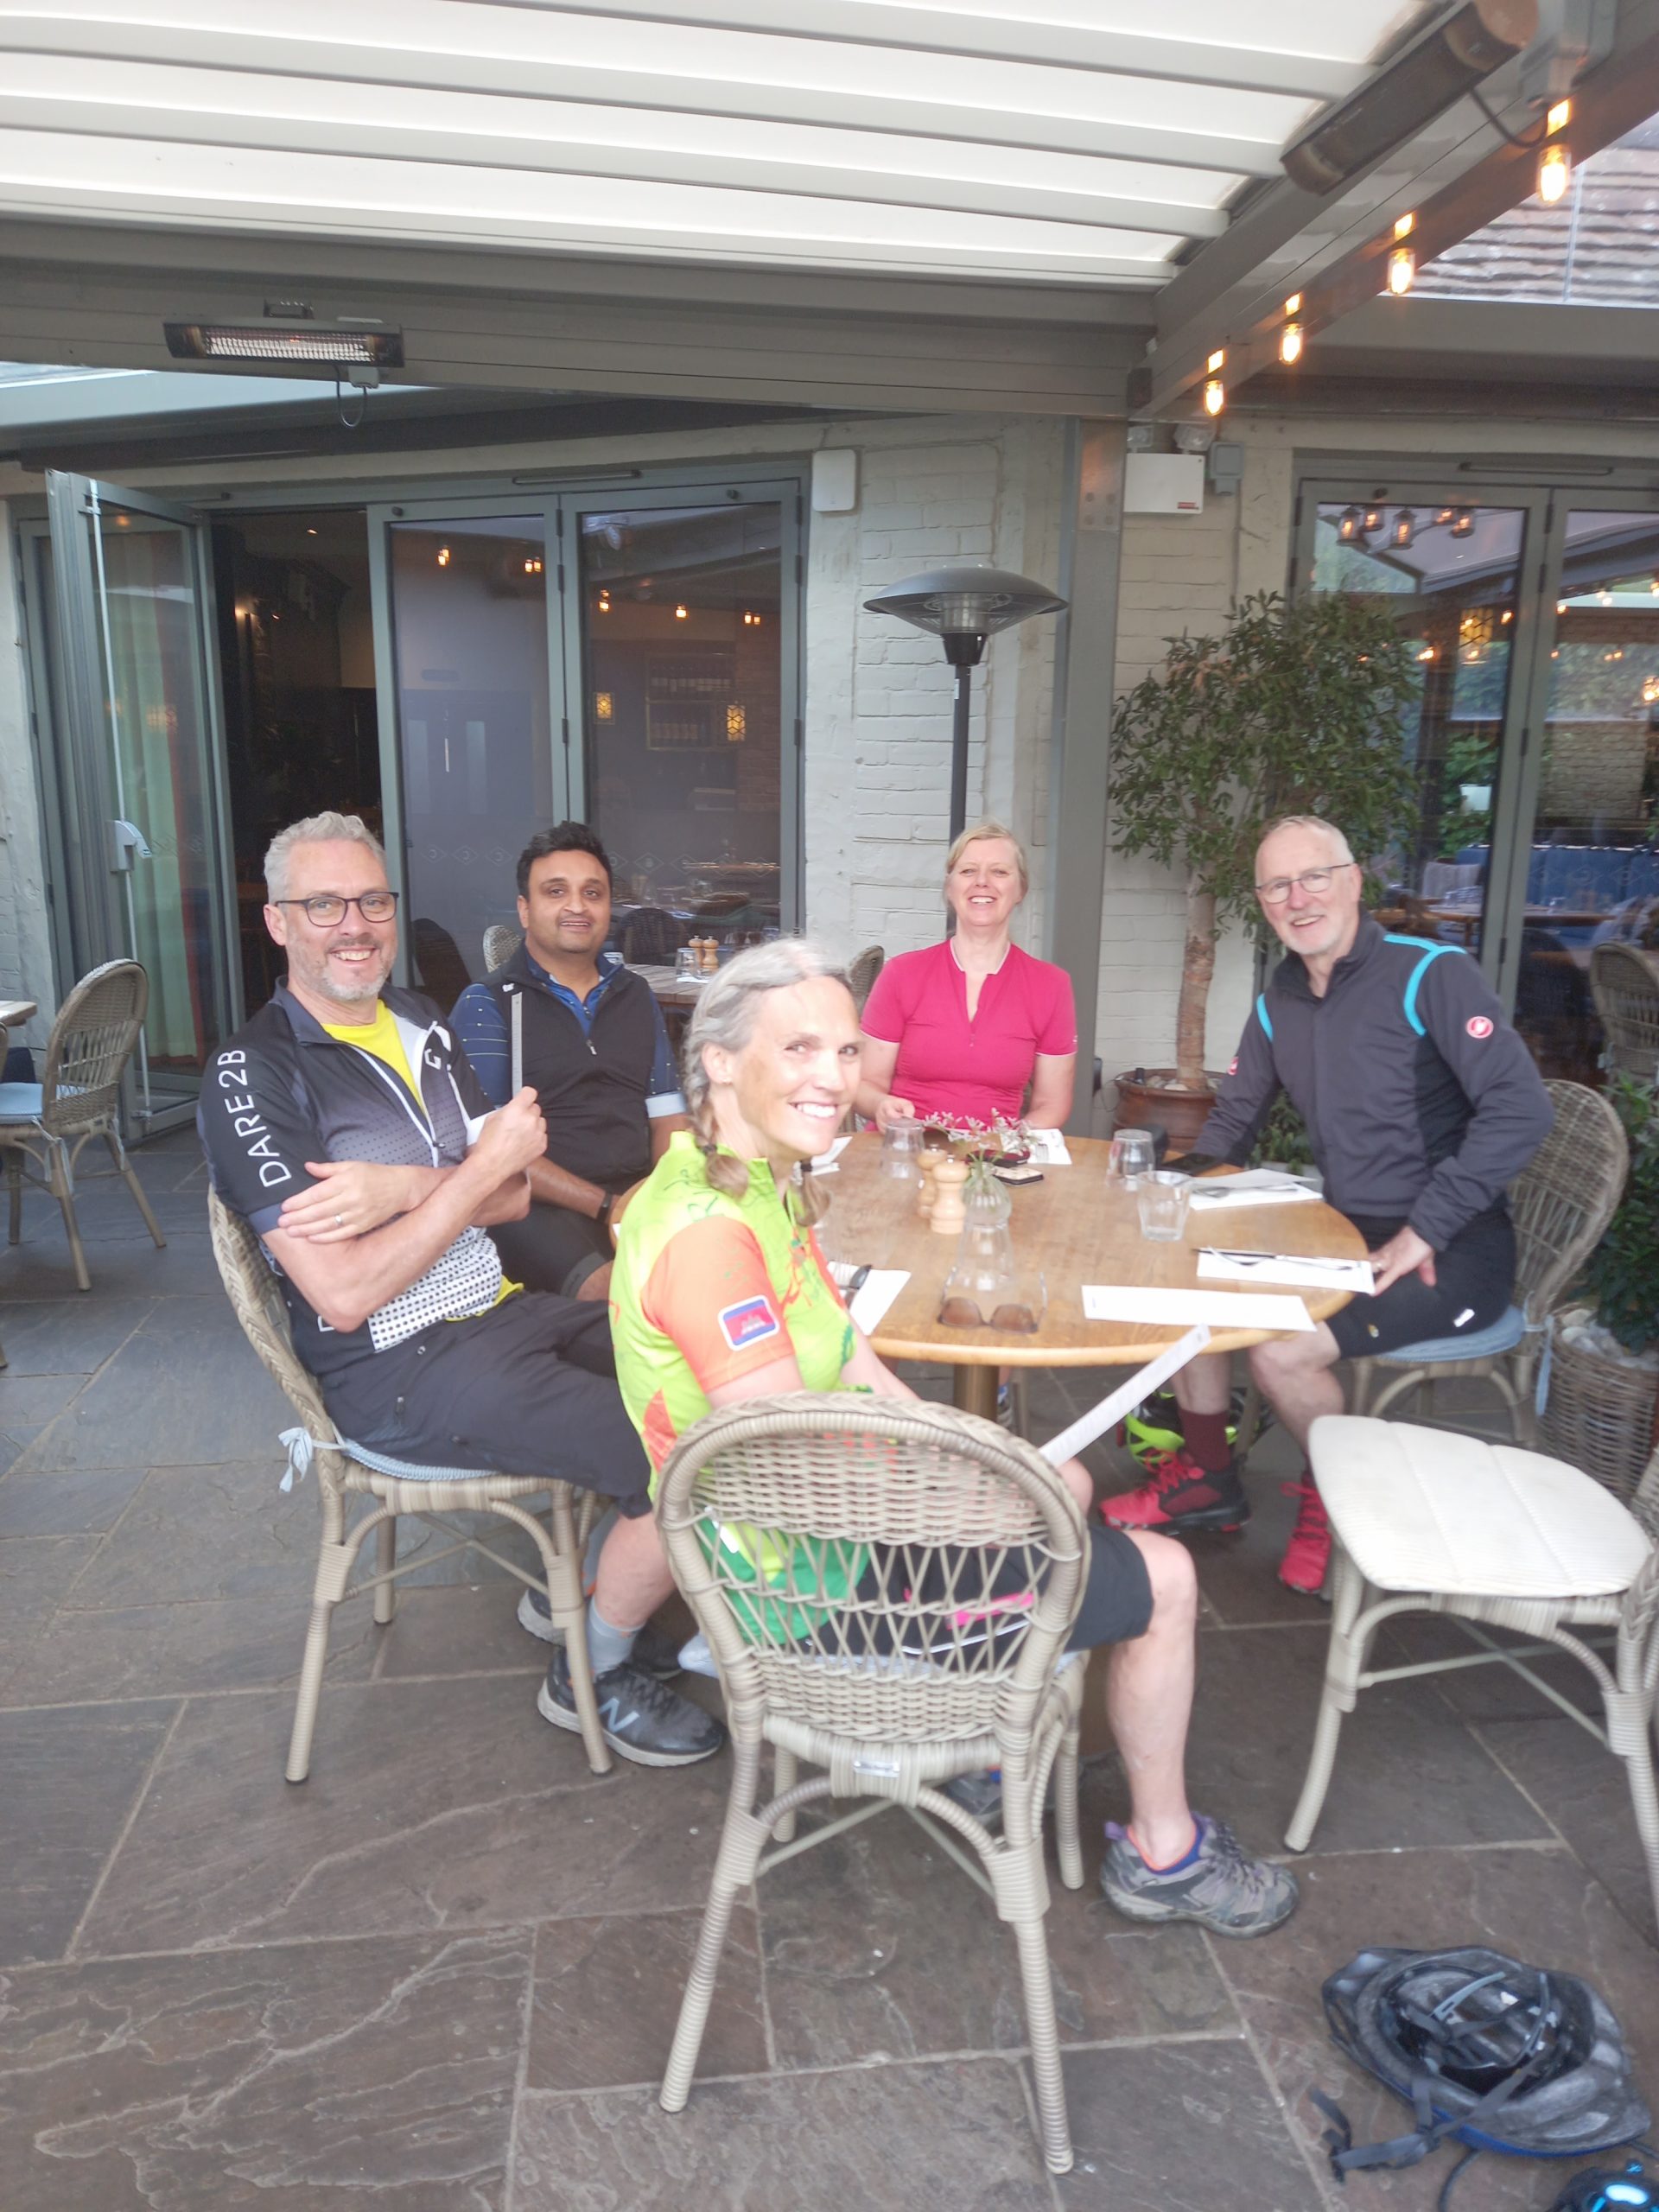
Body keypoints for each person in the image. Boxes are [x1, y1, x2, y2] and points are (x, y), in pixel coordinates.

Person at [607, 938, 1298, 1936]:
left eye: (847, 1051)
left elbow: (853, 1362)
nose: (834, 1077)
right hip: (808, 1595)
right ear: (717, 1059)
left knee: (1062, 1484)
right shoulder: (710, 1234)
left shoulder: (757, 1182)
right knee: (1167, 1576)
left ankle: (990, 1734)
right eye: (799, 1048)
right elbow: (785, 1475)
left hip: (827, 1546)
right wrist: (985, 1496)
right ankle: (1163, 1853)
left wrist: (982, 1463)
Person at [197, 810, 723, 1770]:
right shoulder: (254, 1073)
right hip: (396, 1364)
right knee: (672, 1448)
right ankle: (592, 1670)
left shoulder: (421, 1023)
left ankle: (598, 1593)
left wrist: (398, 1188)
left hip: (500, 1310)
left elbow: (515, 1194)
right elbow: (345, 1291)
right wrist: (469, 1179)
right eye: (323, 905)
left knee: (701, 1368)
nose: (354, 926)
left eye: (372, 901)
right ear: (278, 922)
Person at [1105, 815, 1555, 1595]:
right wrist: (1163, 1193)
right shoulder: (1279, 1000)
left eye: (1314, 877)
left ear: (1353, 881)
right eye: (1278, 886)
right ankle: (1209, 1480)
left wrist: (1426, 1229)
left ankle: (1331, 1498)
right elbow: (1233, 1123)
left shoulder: (1430, 975)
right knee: (1187, 1289)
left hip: (1453, 1250)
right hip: (1344, 1237)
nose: (1298, 898)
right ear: (1263, 903)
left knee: (1281, 1351)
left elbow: (1522, 1109)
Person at [449, 823, 688, 1304]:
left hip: (638, 1192)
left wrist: (660, 1195)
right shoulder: (489, 1004)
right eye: (556, 891)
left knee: (722, 1265)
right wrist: (607, 1206)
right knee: (623, 1295)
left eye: (592, 893)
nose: (577, 906)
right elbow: (486, 1155)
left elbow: (669, 1121)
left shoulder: (635, 995)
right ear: (525, 909)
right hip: (535, 1204)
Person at [855, 822, 1077, 1133]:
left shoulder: (1051, 986)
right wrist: (881, 1105)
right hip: (906, 1148)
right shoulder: (902, 974)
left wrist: (1012, 1140)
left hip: (996, 1155)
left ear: (1020, 890)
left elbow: (1052, 1104)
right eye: (968, 871)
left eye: (999, 872)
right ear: (950, 888)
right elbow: (865, 1084)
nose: (982, 882)